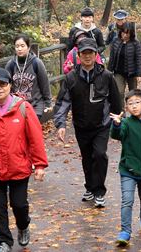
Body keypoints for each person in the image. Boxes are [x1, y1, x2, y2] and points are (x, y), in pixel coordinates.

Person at [0, 69, 48, 252]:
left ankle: (23, 225)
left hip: (18, 166)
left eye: (2, 84)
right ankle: (4, 241)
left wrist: (40, 164)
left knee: (19, 204)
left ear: (10, 85)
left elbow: (35, 137)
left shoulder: (23, 107)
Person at [53, 38, 123, 207]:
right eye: (84, 53)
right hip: (81, 125)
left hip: (101, 124)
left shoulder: (106, 76)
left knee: (99, 155)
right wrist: (61, 124)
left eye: (90, 53)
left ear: (95, 54)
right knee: (86, 157)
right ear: (78, 55)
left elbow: (116, 100)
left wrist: (119, 121)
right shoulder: (71, 78)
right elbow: (63, 102)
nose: (87, 56)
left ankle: (99, 191)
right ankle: (90, 187)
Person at [109, 89, 141, 246]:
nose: (134, 106)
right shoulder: (126, 123)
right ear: (127, 107)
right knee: (127, 200)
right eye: (130, 104)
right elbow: (117, 135)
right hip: (128, 170)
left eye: (137, 102)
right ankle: (125, 231)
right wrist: (116, 124)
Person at [5, 34, 52, 122]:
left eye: (22, 46)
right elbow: (6, 85)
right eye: (17, 46)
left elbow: (44, 84)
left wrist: (48, 103)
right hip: (16, 105)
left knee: (32, 130)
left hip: (35, 105)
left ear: (28, 47)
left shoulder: (36, 63)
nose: (19, 49)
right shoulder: (11, 64)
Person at [107, 22, 141, 102]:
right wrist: (108, 72)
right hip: (118, 72)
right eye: (123, 32)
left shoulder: (135, 43)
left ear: (131, 33)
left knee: (133, 93)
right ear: (120, 32)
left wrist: (139, 74)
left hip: (132, 72)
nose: (125, 35)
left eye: (127, 33)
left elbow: (138, 59)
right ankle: (121, 112)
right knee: (119, 92)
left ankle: (134, 110)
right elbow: (112, 58)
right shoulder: (115, 41)